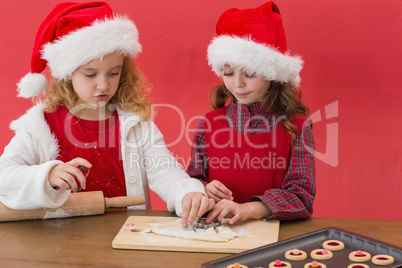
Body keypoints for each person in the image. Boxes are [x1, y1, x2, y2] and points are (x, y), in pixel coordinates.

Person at [0, 2, 213, 227]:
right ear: (67, 73)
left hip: (125, 237)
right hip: (60, 243)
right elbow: (4, 176)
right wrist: (48, 176)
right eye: (90, 74)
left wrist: (188, 194)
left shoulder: (135, 123)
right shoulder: (41, 125)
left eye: (114, 73)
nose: (104, 84)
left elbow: (166, 172)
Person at [187, 1, 316, 224]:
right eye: (228, 73)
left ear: (272, 73)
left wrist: (248, 209)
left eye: (250, 74)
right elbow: (193, 180)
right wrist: (203, 189)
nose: (238, 84)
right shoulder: (209, 124)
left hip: (275, 239)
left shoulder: (296, 126)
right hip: (219, 233)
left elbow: (301, 197)